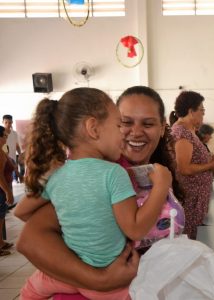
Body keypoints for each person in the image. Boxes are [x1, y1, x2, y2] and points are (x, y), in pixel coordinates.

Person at [16, 85, 183, 294]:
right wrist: (99, 280)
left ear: (162, 127)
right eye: (123, 123)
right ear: (94, 128)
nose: (133, 132)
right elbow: (28, 240)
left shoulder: (160, 171)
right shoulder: (104, 175)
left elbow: (20, 212)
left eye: (148, 123)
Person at [170, 91, 214, 239]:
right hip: (190, 200)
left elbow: (197, 160)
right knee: (190, 240)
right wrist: (211, 166)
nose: (203, 114)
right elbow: (184, 168)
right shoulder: (182, 132)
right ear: (191, 111)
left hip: (197, 198)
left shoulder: (190, 132)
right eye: (202, 110)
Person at [0, 126, 14, 256]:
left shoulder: (1, 150)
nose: (6, 137)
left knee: (2, 216)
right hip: (1, 190)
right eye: (4, 135)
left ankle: (1, 242)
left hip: (3, 188)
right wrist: (8, 192)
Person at [2, 115, 22, 183]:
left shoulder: (14, 134)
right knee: (6, 177)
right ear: (3, 122)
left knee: (11, 178)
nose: (8, 124)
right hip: (4, 158)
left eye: (10, 122)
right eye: (6, 122)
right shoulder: (1, 133)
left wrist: (20, 154)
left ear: (12, 122)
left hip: (13, 157)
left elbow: (17, 145)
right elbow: (3, 146)